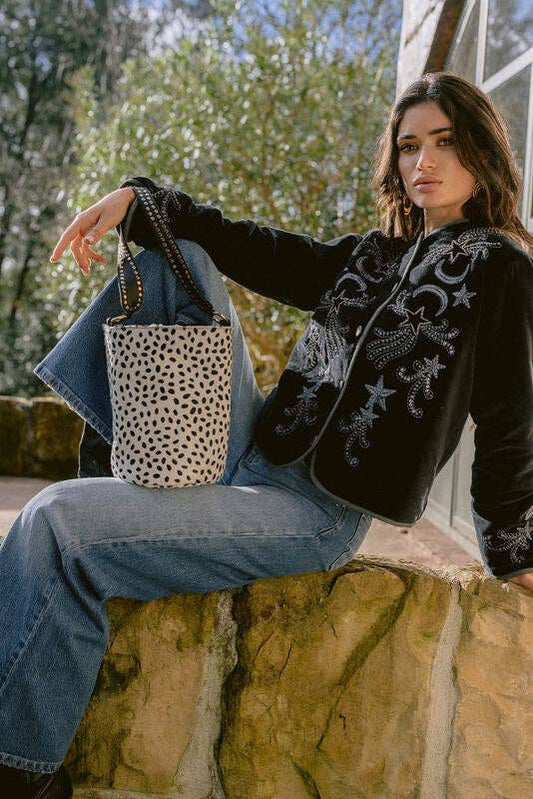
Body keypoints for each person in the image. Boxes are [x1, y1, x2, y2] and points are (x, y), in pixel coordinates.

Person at [1, 70, 531, 797]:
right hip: (251, 447)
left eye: (444, 142)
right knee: (181, 258)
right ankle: (119, 469)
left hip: (313, 512)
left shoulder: (501, 269)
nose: (423, 162)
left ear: (481, 149)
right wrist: (141, 203)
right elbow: (259, 249)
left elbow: (509, 418)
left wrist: (514, 550)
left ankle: (20, 771)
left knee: (55, 520)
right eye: (409, 146)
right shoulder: (373, 255)